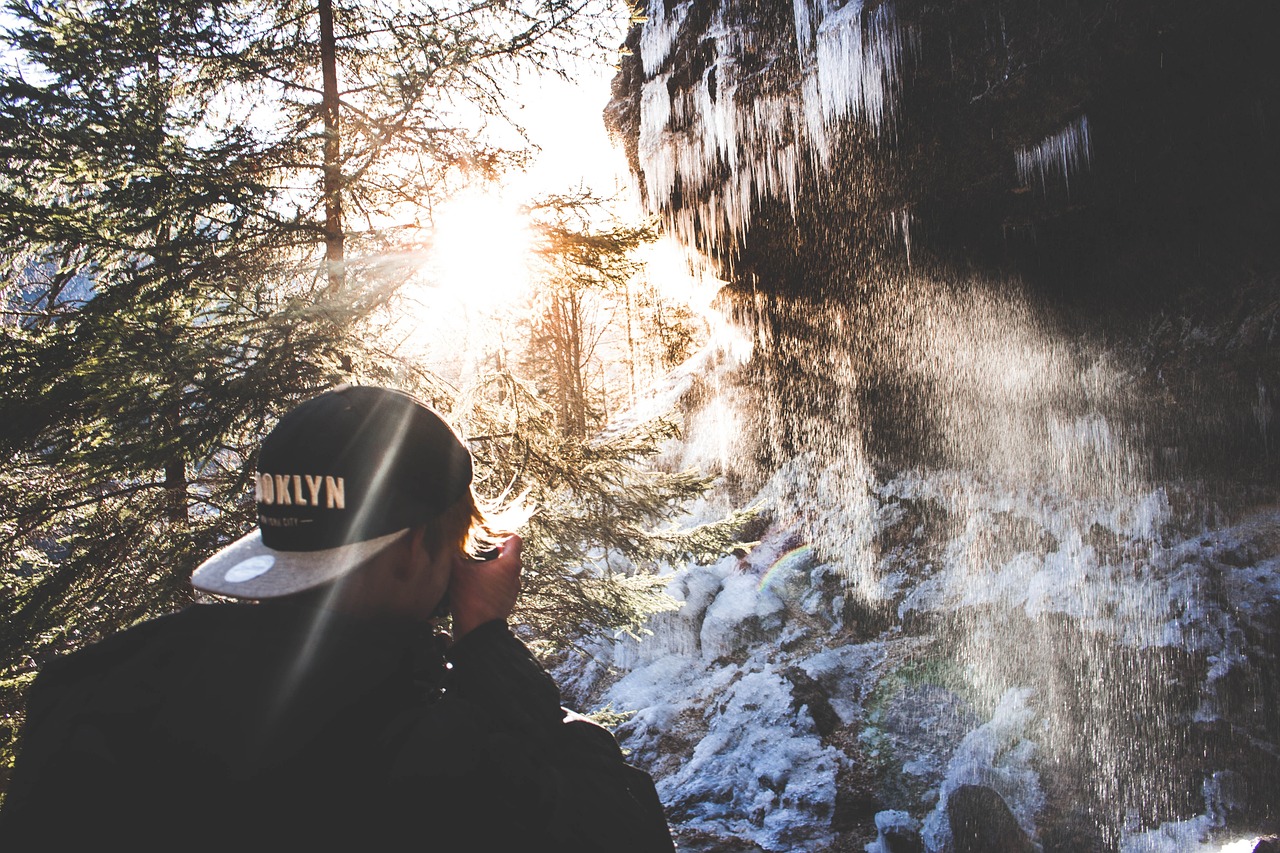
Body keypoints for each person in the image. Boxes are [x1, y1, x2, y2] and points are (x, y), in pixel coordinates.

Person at [0, 385, 675, 850]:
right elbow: (624, 830)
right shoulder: (432, 756)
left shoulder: (88, 693)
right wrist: (486, 644)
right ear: (415, 548)